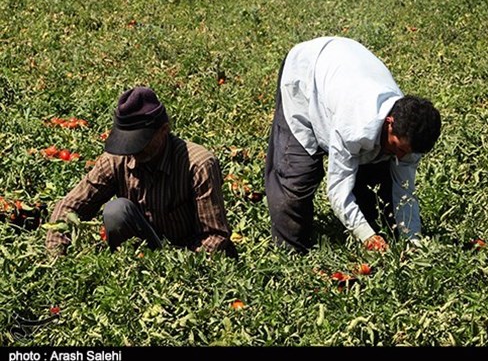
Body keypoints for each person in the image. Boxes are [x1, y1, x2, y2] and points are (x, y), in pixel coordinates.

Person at [264, 36, 442, 254]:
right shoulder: (355, 125)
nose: (401, 157)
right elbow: (338, 189)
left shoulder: (412, 133)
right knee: (297, 176)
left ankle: (377, 226)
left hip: (344, 70)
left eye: (408, 153)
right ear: (390, 123)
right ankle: (289, 255)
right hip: (306, 74)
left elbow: (404, 191)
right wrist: (367, 236)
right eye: (398, 148)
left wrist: (413, 240)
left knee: (375, 181)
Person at [45, 86, 237, 258]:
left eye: (140, 142)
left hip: (188, 254)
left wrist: (180, 274)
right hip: (142, 253)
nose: (133, 150)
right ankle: (129, 264)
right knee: (116, 211)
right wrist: (56, 257)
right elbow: (70, 207)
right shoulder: (116, 160)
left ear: (164, 130)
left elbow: (215, 236)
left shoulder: (198, 164)